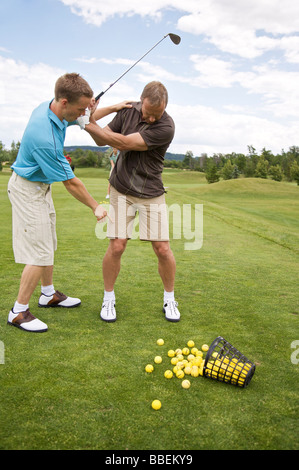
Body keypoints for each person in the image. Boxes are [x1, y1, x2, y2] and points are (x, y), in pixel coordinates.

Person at [7, 73, 131, 333]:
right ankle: (18, 311)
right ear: (64, 102)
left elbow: (82, 119)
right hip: (27, 191)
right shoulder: (46, 137)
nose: (83, 114)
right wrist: (95, 206)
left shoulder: (52, 107)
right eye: (80, 109)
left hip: (40, 188)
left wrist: (112, 107)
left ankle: (48, 294)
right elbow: (71, 182)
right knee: (39, 253)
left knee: (48, 244)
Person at [80, 81, 180, 323]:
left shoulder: (166, 126)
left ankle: (169, 298)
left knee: (163, 249)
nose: (153, 118)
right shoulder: (127, 111)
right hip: (121, 189)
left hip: (151, 191)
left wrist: (87, 123)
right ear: (140, 102)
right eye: (149, 113)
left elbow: (122, 143)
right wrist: (112, 108)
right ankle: (108, 298)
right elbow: (99, 141)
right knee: (117, 246)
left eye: (158, 114)